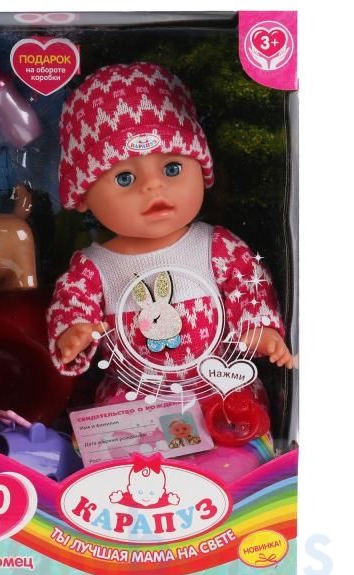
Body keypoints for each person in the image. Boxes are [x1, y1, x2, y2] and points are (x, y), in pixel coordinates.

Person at [47, 63, 293, 481]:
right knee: (114, 462)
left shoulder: (216, 246)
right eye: (125, 177)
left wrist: (260, 329)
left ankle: (223, 475)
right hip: (134, 401)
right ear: (83, 195)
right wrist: (74, 332)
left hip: (215, 390)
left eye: (172, 169)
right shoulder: (93, 266)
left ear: (202, 170)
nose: (152, 187)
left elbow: (248, 286)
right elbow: (72, 302)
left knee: (236, 455)